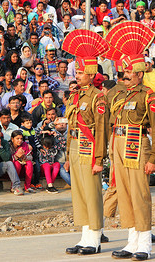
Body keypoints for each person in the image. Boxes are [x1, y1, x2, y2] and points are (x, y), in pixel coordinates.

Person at [106, 22, 155, 261]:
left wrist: (154, 157)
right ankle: (131, 241)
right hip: (119, 143)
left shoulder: (148, 95)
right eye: (123, 71)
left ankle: (145, 243)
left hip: (138, 144)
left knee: (140, 194)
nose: (124, 75)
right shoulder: (120, 93)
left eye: (128, 71)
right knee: (125, 194)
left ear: (139, 74)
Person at [63, 30, 109, 256]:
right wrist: (66, 157)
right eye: (77, 71)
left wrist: (99, 159)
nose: (77, 75)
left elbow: (101, 130)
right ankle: (84, 236)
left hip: (90, 149)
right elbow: (71, 128)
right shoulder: (74, 96)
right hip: (74, 148)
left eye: (81, 72)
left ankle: (95, 237)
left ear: (91, 75)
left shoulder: (98, 98)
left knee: (92, 193)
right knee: (79, 194)